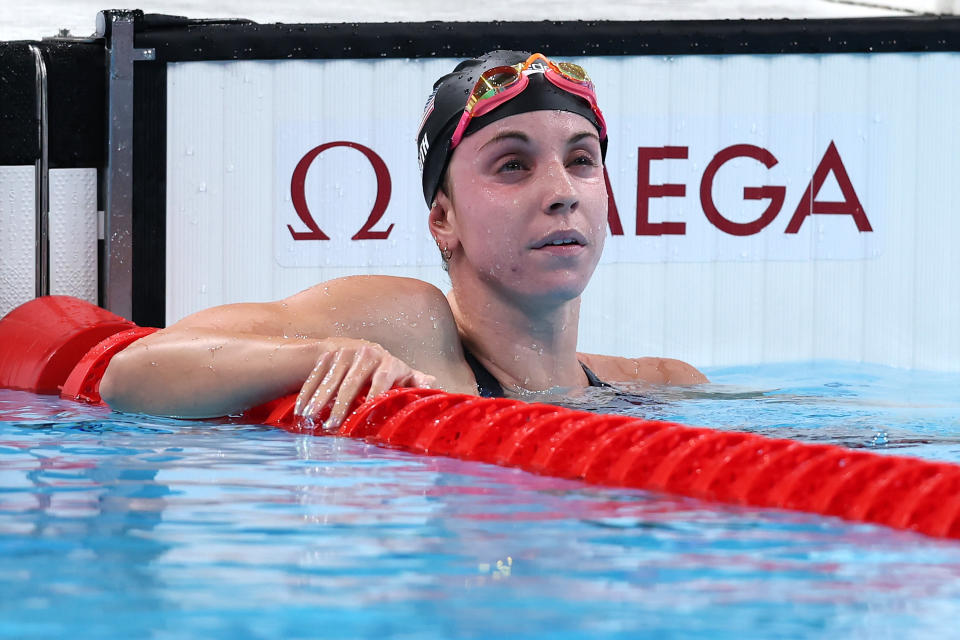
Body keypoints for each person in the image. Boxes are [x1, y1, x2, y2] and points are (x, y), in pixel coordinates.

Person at [100, 50, 706, 427]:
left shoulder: (662, 386)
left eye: (581, 161)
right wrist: (316, 356)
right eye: (513, 165)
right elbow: (132, 374)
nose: (561, 191)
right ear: (443, 219)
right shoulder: (412, 331)